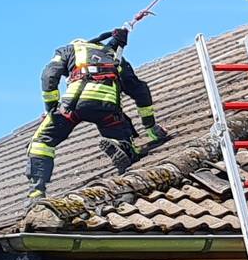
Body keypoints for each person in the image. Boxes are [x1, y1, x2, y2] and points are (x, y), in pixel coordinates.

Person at [25, 26, 171, 199]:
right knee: (123, 138)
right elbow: (140, 90)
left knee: (41, 142)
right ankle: (123, 148)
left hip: (72, 105)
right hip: (108, 108)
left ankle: (36, 191)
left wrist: (51, 109)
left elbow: (49, 76)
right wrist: (151, 127)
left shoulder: (68, 50)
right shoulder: (116, 58)